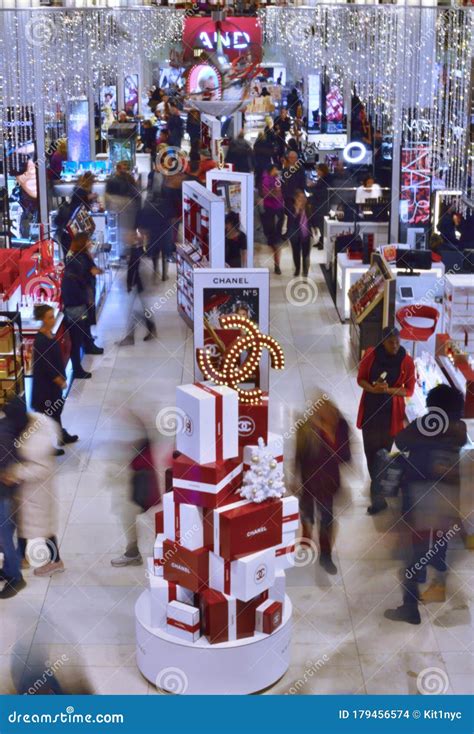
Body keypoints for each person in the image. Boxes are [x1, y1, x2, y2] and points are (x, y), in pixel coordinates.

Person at [384, 385, 467, 625]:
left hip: (420, 495)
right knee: (439, 541)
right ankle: (434, 574)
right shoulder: (459, 428)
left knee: (413, 551)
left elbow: (400, 442)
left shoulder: (425, 425)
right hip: (447, 497)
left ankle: (410, 607)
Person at [357, 326, 415, 515]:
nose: (396, 345)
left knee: (383, 455)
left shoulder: (406, 361)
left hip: (391, 415)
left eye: (398, 342)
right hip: (371, 411)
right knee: (370, 453)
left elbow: (409, 390)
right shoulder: (371, 355)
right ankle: (377, 487)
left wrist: (388, 390)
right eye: (391, 342)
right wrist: (374, 390)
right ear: (383, 341)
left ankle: (378, 497)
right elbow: (361, 379)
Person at [295, 394, 351, 575]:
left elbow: (346, 455)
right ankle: (307, 531)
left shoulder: (342, 426)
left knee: (327, 518)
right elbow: (299, 457)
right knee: (307, 512)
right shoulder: (306, 429)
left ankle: (325, 555)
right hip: (310, 481)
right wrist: (295, 478)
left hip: (329, 482)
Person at [14, 409, 64, 578]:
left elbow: (41, 469)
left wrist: (16, 472)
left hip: (38, 491)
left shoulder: (40, 438)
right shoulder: (35, 425)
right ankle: (21, 557)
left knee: (44, 527)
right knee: (23, 524)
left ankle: (56, 561)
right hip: (28, 490)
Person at [111, 412, 160, 567]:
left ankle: (134, 553)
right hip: (139, 479)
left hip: (138, 481)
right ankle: (136, 551)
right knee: (144, 514)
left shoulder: (131, 423)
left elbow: (132, 449)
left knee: (131, 514)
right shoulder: (133, 419)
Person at [31, 304, 78, 450]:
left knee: (55, 411)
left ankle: (61, 436)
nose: (53, 319)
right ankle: (46, 447)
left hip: (53, 385)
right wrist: (58, 379)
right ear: (43, 320)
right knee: (47, 415)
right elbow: (46, 364)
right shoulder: (40, 341)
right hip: (46, 386)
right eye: (50, 317)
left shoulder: (49, 335)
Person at [0, 397, 28, 599]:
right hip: (10, 496)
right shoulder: (12, 430)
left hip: (4, 497)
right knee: (5, 536)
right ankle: (9, 569)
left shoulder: (3, 433)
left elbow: (7, 474)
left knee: (4, 537)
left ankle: (16, 578)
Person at [66, 233, 104, 356]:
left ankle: (88, 342)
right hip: (82, 297)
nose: (90, 243)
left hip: (84, 296)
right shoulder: (81, 259)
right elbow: (81, 278)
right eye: (88, 241)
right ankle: (88, 345)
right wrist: (91, 273)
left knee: (85, 321)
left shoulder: (80, 256)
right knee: (84, 321)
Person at [117, 230, 157, 346]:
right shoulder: (138, 249)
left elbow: (132, 269)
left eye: (128, 236)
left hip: (138, 285)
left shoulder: (136, 250)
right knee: (139, 310)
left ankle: (130, 337)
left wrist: (129, 284)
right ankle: (150, 328)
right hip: (139, 285)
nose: (125, 238)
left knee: (133, 311)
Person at [61, 246, 93, 380]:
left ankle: (77, 368)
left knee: (76, 342)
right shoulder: (72, 280)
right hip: (76, 314)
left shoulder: (68, 278)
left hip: (75, 312)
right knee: (76, 342)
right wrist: (86, 297)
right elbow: (77, 296)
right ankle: (77, 370)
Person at [105, 161, 140, 258]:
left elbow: (107, 196)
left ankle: (121, 252)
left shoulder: (114, 181)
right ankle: (123, 251)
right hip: (125, 209)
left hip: (121, 209)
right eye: (124, 168)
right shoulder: (128, 180)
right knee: (123, 230)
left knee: (120, 231)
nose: (125, 170)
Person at [260, 164, 285, 275]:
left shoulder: (276, 178)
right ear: (271, 170)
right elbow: (266, 194)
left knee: (276, 239)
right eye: (275, 168)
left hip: (278, 209)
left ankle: (277, 264)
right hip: (270, 209)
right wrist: (276, 192)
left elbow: (279, 192)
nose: (277, 170)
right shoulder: (266, 179)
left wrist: (276, 192)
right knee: (273, 237)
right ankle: (273, 244)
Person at [287, 190, 311, 277]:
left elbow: (312, 219)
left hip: (306, 235)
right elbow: (290, 222)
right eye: (300, 198)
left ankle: (305, 271)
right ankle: (297, 269)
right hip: (295, 236)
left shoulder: (308, 207)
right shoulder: (291, 208)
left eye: (304, 197)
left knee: (306, 254)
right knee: (296, 253)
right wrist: (296, 211)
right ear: (295, 199)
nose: (303, 199)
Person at [308, 163, 332, 248]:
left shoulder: (326, 179)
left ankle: (321, 242)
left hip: (322, 203)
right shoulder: (323, 179)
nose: (317, 172)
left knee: (321, 223)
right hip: (319, 203)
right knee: (319, 223)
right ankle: (320, 241)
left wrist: (312, 187)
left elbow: (322, 192)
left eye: (318, 170)